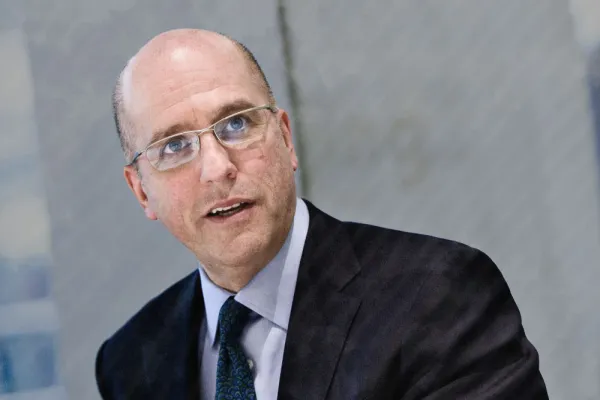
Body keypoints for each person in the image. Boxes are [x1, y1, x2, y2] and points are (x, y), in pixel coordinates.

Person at [95, 29, 549, 400]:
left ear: (285, 139)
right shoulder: (130, 362)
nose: (217, 168)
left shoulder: (439, 297)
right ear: (141, 190)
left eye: (237, 123)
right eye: (174, 146)